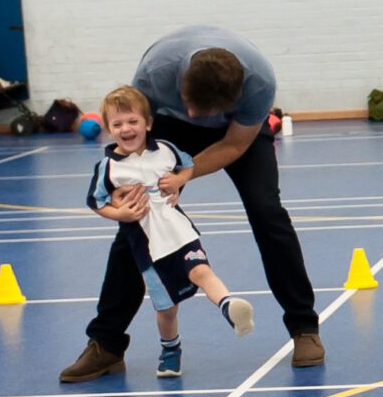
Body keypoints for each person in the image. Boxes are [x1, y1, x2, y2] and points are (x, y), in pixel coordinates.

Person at [60, 25, 322, 382]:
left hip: (235, 133)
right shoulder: (157, 71)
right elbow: (135, 135)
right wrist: (129, 182)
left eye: (202, 110)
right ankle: (106, 343)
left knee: (267, 213)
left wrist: (186, 173)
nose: (196, 115)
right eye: (190, 104)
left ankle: (304, 327)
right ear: (181, 83)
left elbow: (233, 146)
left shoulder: (259, 82)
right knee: (139, 220)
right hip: (168, 126)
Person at [85, 86, 257, 379]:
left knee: (202, 271)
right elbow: (95, 202)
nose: (126, 129)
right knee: (167, 309)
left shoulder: (165, 149)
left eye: (133, 121)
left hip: (180, 231)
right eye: (118, 124)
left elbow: (188, 166)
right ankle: (170, 349)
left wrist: (178, 180)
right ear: (108, 130)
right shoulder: (108, 168)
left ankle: (229, 306)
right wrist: (121, 214)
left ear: (148, 123)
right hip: (147, 247)